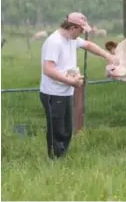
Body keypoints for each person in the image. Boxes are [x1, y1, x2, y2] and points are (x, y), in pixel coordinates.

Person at [39, 12, 116, 160]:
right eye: (81, 30)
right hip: (53, 93)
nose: (82, 33)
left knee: (67, 129)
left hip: (65, 91)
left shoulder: (71, 39)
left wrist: (108, 56)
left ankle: (62, 158)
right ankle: (54, 160)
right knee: (57, 129)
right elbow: (48, 69)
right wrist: (71, 81)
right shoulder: (54, 42)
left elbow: (88, 45)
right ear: (73, 27)